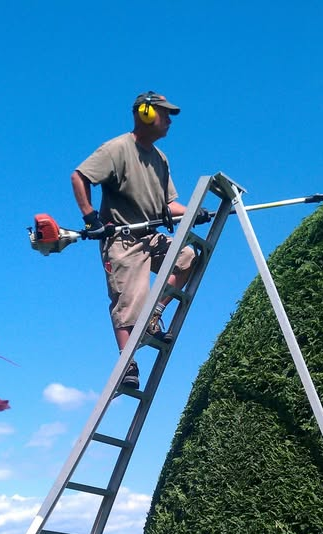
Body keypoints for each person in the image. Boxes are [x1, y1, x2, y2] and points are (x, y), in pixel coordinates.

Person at [71, 91, 210, 389]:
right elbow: (79, 177)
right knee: (127, 302)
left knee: (187, 258)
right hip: (121, 239)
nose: (170, 120)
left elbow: (168, 205)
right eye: (165, 113)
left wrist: (196, 211)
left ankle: (154, 315)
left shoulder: (160, 159)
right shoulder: (117, 149)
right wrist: (89, 216)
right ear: (145, 113)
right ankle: (127, 363)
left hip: (150, 236)